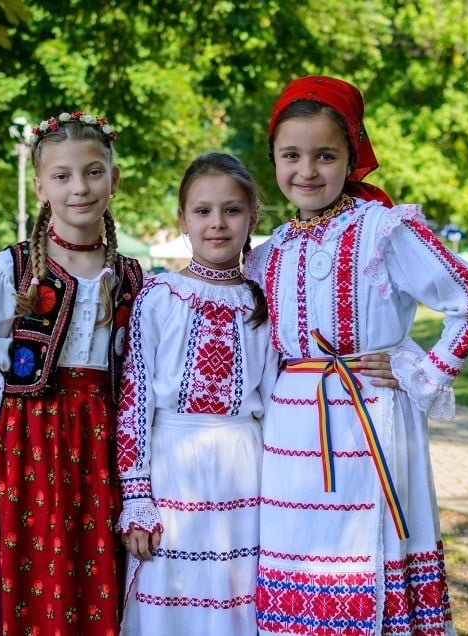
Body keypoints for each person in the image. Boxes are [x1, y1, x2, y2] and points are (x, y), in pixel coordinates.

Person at [244, 76, 468, 636]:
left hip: (373, 418)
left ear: (352, 157)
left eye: (325, 155)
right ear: (273, 159)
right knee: (300, 554)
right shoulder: (270, 252)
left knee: (372, 551)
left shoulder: (384, 230)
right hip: (293, 434)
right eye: (291, 155)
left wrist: (424, 369)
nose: (306, 170)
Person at [0, 110, 143, 635]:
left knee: (94, 573)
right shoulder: (9, 271)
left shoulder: (130, 276)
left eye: (93, 171)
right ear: (40, 187)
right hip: (25, 445)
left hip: (99, 447)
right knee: (28, 577)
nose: (79, 187)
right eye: (62, 176)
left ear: (114, 179)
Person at [114, 152, 280, 635]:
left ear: (252, 217)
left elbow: (273, 397)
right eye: (203, 211)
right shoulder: (160, 295)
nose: (217, 223)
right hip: (173, 464)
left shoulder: (261, 298)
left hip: (244, 466)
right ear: (182, 219)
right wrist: (137, 496)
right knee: (174, 584)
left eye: (232, 210)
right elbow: (135, 399)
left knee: (237, 588)